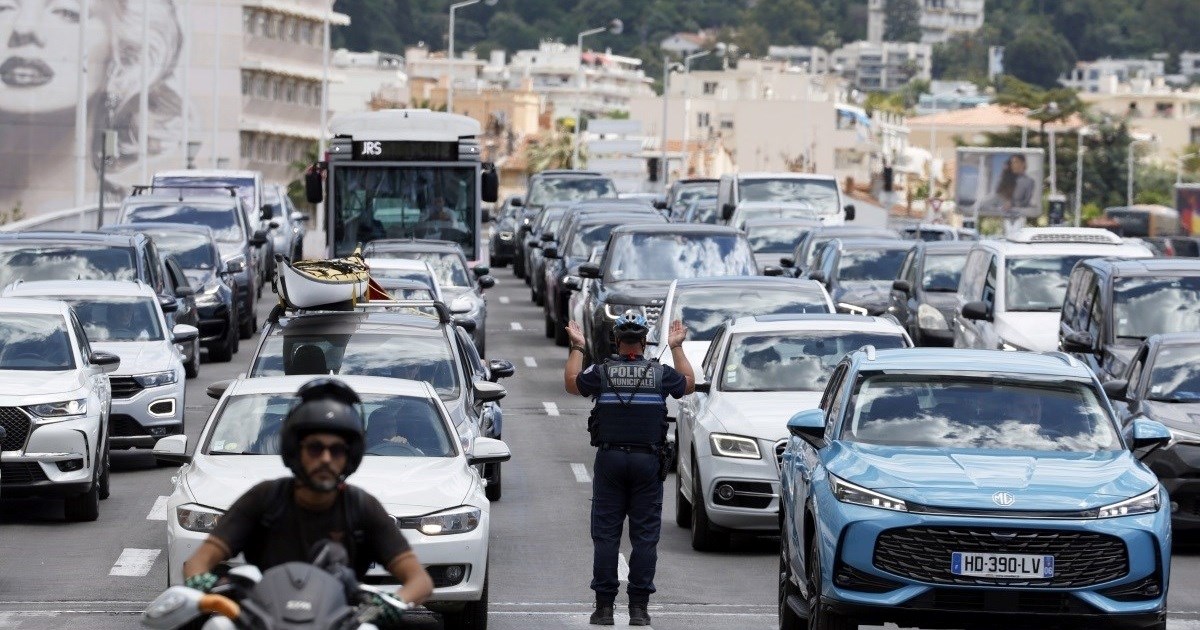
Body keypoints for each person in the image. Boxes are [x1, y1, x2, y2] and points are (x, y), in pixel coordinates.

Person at [182, 378, 434, 616]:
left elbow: (419, 580)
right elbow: (197, 563)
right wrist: (203, 584)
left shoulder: (361, 506)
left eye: (337, 450)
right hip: (263, 620)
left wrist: (386, 606)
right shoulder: (264, 498)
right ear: (294, 450)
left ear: (350, 457)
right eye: (315, 448)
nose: (325, 458)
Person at [564, 311, 695, 626]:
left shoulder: (601, 372)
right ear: (645, 341)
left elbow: (571, 384)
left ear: (616, 340)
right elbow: (688, 385)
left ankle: (604, 609)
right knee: (645, 537)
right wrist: (676, 346)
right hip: (647, 462)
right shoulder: (661, 373)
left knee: (606, 536)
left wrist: (578, 346)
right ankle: (638, 609)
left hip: (610, 460)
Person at [0, 0, 183, 213]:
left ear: (123, 59)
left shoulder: (133, 217)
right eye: (3, 8)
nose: (23, 28)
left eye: (66, 12)